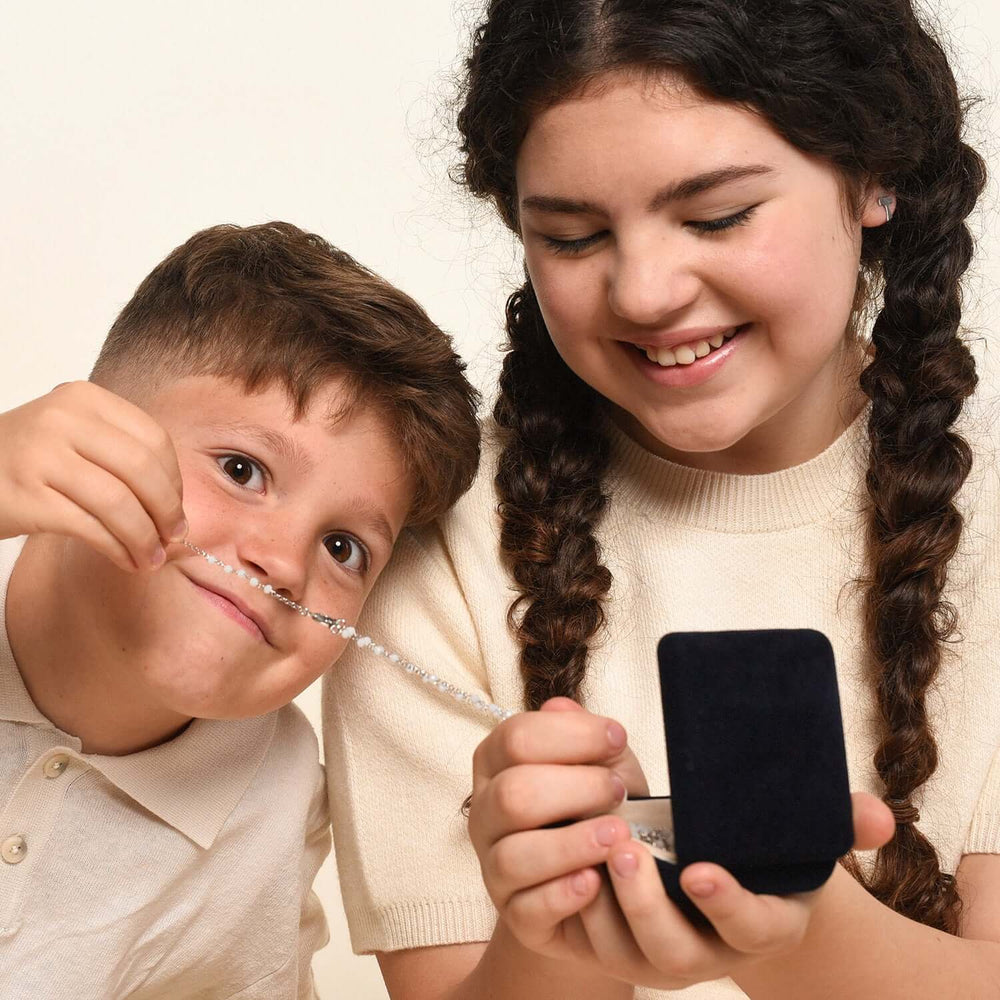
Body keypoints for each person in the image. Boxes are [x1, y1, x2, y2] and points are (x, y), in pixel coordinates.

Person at [322, 0, 1000, 997]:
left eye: (717, 215)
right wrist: (548, 929)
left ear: (874, 177)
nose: (642, 291)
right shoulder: (431, 547)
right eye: (571, 235)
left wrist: (794, 916)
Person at [0, 221, 480, 999]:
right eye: (241, 469)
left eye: (343, 548)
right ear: (90, 429)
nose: (286, 563)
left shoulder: (277, 804)